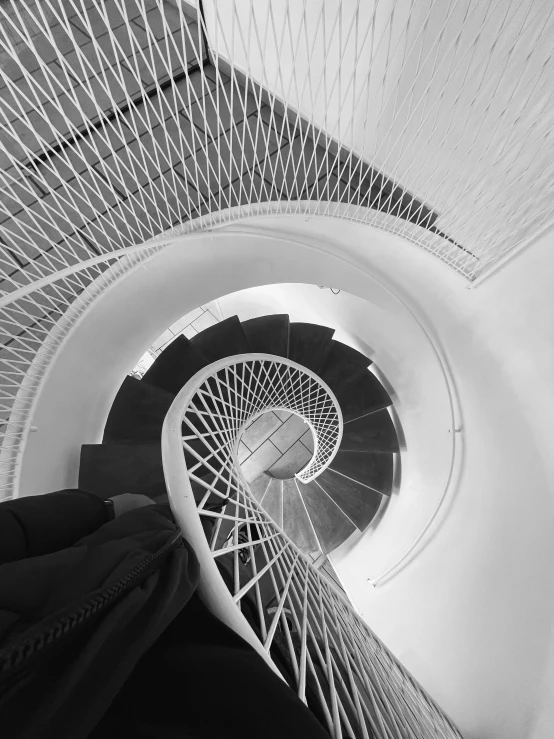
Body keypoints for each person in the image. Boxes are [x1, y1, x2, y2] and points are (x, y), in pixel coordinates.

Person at [0, 489, 331, 738]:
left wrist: (100, 510)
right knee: (237, 601)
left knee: (211, 570)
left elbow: (14, 530)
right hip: (158, 601)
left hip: (131, 585)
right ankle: (231, 553)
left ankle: (225, 545)